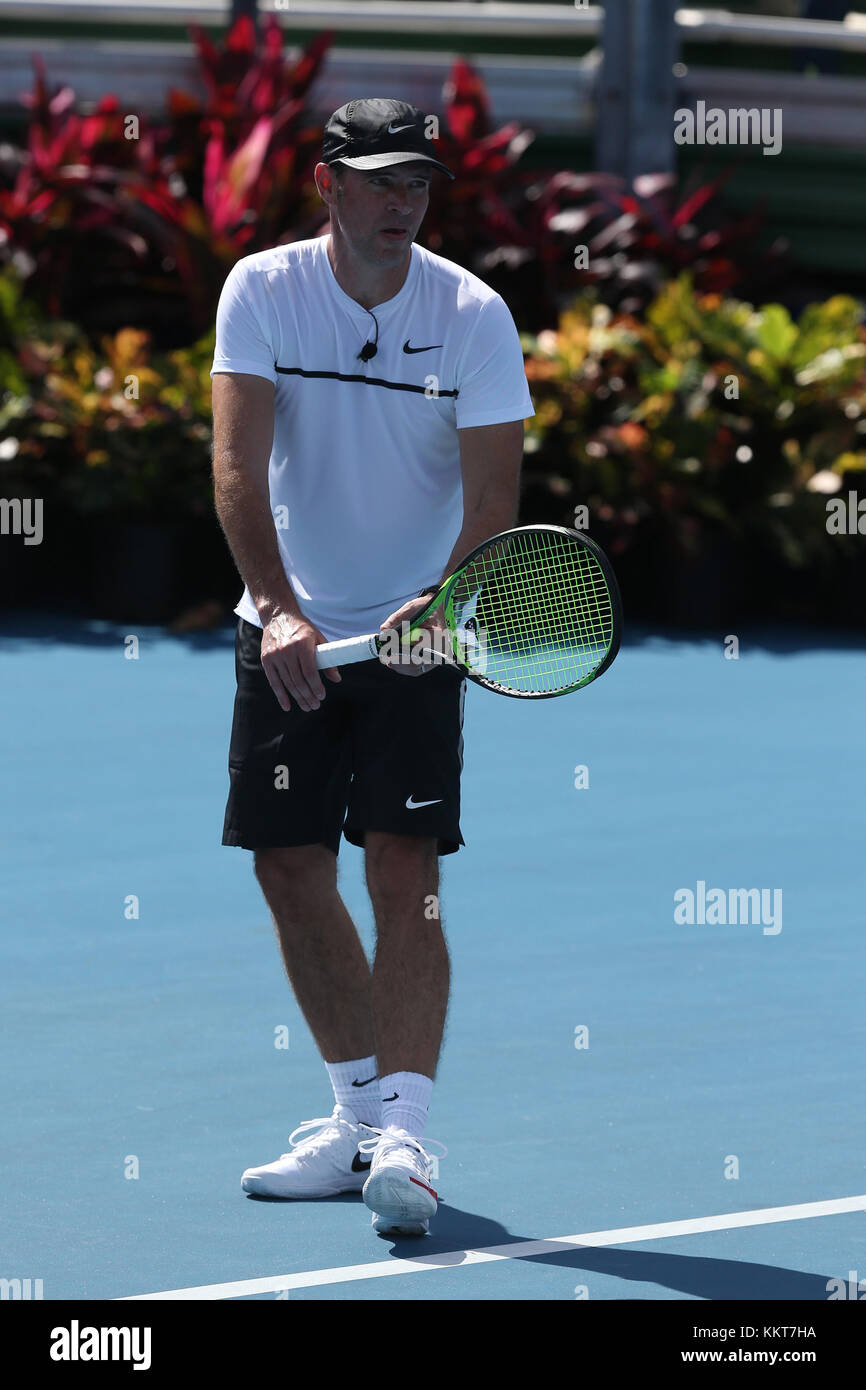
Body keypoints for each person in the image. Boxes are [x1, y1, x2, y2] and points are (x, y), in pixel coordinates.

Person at [210, 97, 533, 1237]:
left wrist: (441, 604)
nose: (403, 203)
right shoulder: (260, 289)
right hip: (288, 630)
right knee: (289, 868)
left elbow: (493, 500)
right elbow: (237, 470)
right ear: (328, 184)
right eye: (381, 180)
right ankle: (354, 1119)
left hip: (417, 633)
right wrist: (283, 612)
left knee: (403, 867)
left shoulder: (474, 316)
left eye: (419, 184)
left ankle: (407, 1132)